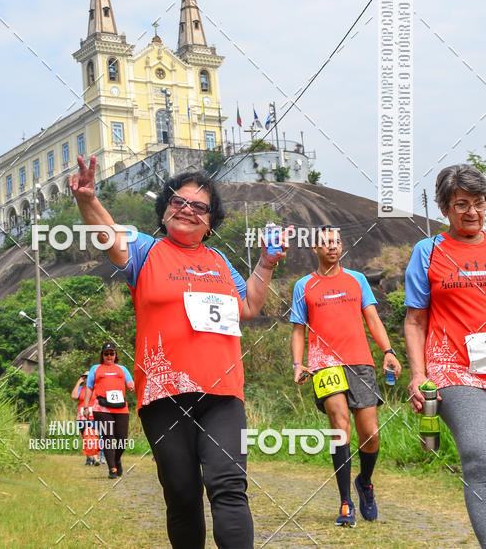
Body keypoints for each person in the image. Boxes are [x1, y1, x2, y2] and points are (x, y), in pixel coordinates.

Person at [70, 154, 285, 549]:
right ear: (165, 208)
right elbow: (110, 234)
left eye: (199, 207)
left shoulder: (220, 262)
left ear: (210, 220)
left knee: (229, 485)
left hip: (223, 395)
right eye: (178, 202)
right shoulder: (146, 250)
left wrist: (268, 263)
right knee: (183, 495)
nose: (187, 210)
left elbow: (250, 306)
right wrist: (88, 199)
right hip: (163, 398)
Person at [290, 226, 401, 527]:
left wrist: (388, 350)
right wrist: (298, 364)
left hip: (361, 364)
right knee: (340, 427)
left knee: (371, 433)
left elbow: (373, 319)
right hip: (324, 365)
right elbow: (299, 328)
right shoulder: (304, 285)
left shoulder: (357, 280)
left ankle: (364, 482)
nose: (332, 247)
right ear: (315, 248)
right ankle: (345, 504)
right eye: (326, 243)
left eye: (336, 242)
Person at [405, 164, 486, 547]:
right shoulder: (428, 252)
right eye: (462, 204)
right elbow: (415, 321)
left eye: (479, 203)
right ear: (444, 209)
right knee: (478, 453)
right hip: (451, 366)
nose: (472, 212)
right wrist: (418, 374)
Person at [81, 342, 135, 478]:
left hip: (121, 408)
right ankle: (112, 469)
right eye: (106, 354)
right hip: (102, 408)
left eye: (112, 353)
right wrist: (86, 406)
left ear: (115, 355)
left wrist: (135, 386)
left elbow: (131, 385)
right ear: (102, 355)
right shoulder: (96, 368)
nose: (109, 356)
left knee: (122, 440)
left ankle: (117, 459)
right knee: (107, 438)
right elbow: (89, 388)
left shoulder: (122, 369)